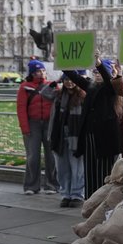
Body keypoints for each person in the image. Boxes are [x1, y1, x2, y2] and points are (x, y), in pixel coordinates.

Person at [62, 53, 122, 198]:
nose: (96, 74)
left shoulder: (111, 87)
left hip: (105, 137)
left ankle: (103, 201)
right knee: (90, 170)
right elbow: (75, 77)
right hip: (90, 135)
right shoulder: (91, 86)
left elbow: (108, 80)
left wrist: (99, 64)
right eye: (94, 71)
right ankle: (90, 199)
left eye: (99, 72)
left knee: (103, 171)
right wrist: (61, 60)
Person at [42, 72, 86, 207]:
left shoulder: (83, 96)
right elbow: (44, 93)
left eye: (72, 80)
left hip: (76, 137)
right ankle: (66, 194)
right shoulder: (59, 95)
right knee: (62, 168)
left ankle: (77, 195)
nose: (70, 83)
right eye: (66, 80)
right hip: (60, 136)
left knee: (77, 168)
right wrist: (55, 82)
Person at [16, 60, 58, 195]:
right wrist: (25, 128)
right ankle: (31, 186)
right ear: (32, 73)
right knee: (33, 156)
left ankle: (51, 185)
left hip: (49, 124)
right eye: (38, 71)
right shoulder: (25, 87)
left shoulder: (51, 86)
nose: (41, 73)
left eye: (43, 71)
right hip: (32, 124)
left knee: (51, 156)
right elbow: (21, 109)